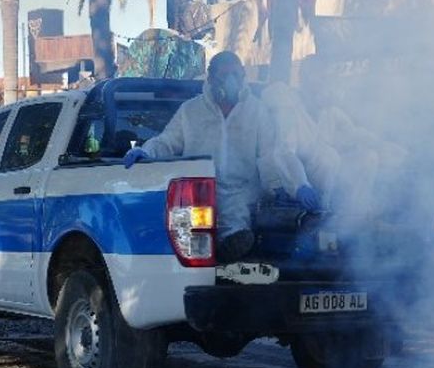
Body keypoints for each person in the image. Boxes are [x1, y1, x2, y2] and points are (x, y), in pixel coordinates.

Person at [125, 51, 318, 261]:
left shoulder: (256, 111)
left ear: (243, 76)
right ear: (211, 78)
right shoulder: (191, 111)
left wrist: (298, 185)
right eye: (225, 75)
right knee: (199, 221)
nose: (231, 81)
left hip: (244, 191)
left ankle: (232, 245)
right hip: (200, 193)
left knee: (238, 215)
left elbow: (273, 154)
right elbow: (167, 142)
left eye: (236, 75)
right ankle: (216, 251)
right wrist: (145, 151)